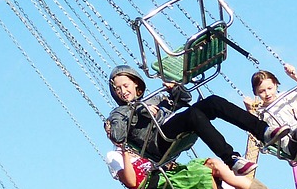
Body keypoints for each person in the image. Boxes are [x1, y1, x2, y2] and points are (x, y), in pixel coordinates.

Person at [106, 65, 286, 178]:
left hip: (173, 127)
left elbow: (185, 99)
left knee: (213, 102)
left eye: (126, 85)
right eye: (118, 89)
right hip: (157, 142)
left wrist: (175, 89)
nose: (123, 91)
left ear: (136, 84)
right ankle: (231, 159)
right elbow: (118, 135)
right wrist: (135, 111)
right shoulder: (118, 113)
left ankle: (264, 131)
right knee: (192, 115)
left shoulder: (154, 99)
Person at [104, 126, 289, 189]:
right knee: (202, 175)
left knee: (213, 164)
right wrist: (124, 152)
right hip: (153, 184)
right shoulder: (115, 156)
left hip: (170, 173)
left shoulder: (140, 144)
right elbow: (131, 182)